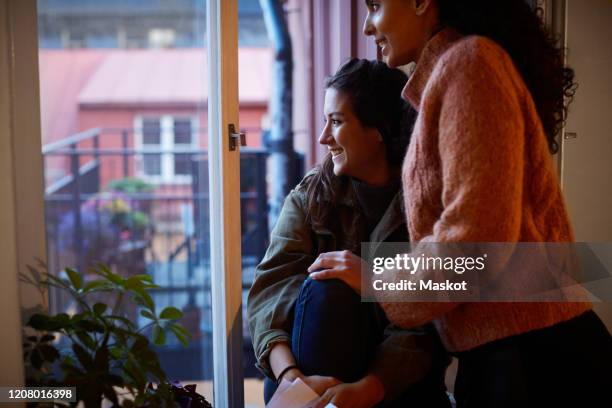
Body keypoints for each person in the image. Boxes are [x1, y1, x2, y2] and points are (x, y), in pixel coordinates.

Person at [303, 0, 612, 406]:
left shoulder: (471, 64)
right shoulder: (455, 71)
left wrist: (376, 280)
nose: (367, 27)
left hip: (534, 365)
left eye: (376, 5)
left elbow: (476, 245)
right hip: (511, 357)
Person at [247, 58, 451, 408]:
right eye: (325, 121)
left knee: (338, 282)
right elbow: (271, 288)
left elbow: (425, 321)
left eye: (337, 122)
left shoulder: (426, 206)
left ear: (379, 130)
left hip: (394, 380)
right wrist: (290, 377)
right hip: (306, 372)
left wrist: (371, 387)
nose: (323, 137)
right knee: (327, 286)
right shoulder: (312, 195)